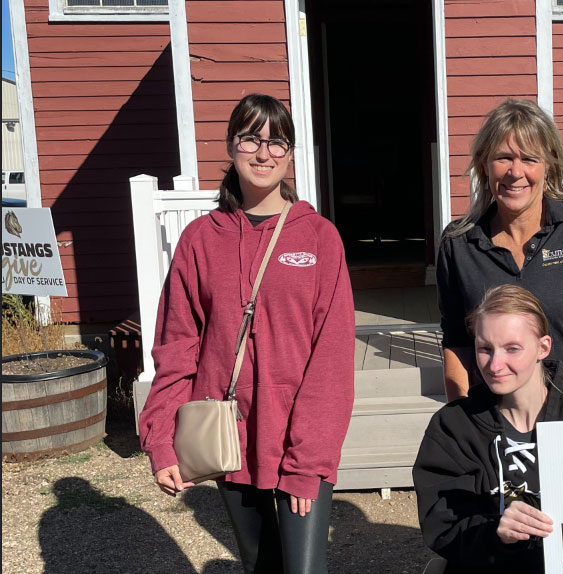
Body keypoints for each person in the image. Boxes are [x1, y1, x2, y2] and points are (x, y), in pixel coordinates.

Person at [138, 94, 356, 574]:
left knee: (304, 569)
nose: (263, 153)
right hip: (229, 433)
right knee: (260, 565)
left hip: (299, 435)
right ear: (231, 146)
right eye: (251, 139)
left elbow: (333, 359)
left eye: (277, 142)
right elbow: (177, 347)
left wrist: (308, 460)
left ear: (290, 153)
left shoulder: (318, 237)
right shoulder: (200, 239)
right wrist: (161, 439)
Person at [437, 98, 563, 417]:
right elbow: (457, 342)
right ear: (484, 164)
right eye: (503, 157)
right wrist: (460, 422)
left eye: (529, 158)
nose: (516, 172)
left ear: (548, 165)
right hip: (494, 423)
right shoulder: (458, 243)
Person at [414, 284, 563, 573]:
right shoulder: (453, 428)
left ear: (543, 347)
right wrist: (496, 533)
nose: (495, 365)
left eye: (512, 349)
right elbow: (443, 527)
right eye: (485, 349)